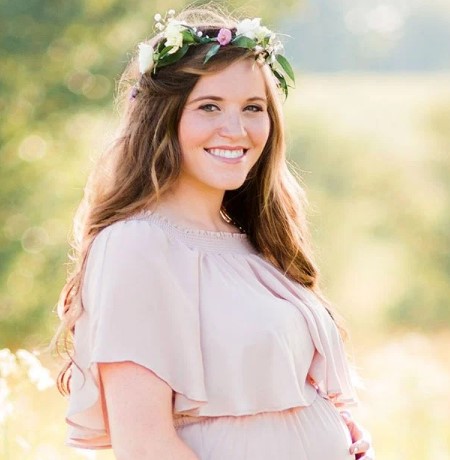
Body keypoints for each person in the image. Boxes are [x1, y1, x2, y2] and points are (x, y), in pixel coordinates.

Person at [54, 5, 374, 459]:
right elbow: (145, 446)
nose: (236, 129)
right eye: (209, 107)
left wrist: (341, 432)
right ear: (164, 119)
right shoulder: (137, 246)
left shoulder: (257, 243)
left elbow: (278, 397)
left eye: (252, 108)